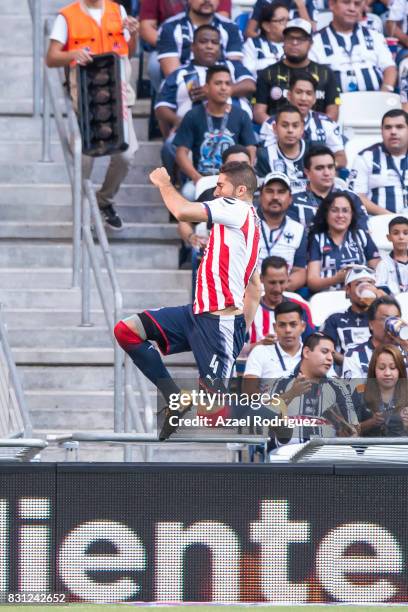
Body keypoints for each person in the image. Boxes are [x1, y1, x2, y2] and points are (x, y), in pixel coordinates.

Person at [114, 161, 262, 439]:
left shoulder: (236, 207)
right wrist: (243, 324)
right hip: (197, 314)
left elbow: (181, 211)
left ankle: (274, 411)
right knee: (127, 331)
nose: (216, 193)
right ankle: (174, 397)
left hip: (218, 323)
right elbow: (255, 286)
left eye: (220, 186)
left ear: (240, 190)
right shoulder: (247, 225)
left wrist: (163, 183)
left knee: (214, 415)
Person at [45, 0, 140, 230]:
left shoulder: (118, 11)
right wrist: (72, 54)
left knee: (126, 155)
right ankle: (81, 213)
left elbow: (130, 51)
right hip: (86, 99)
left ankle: (104, 201)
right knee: (84, 159)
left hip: (117, 95)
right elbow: (51, 58)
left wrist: (134, 34)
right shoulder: (67, 16)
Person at [174, 65, 257, 200]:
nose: (224, 87)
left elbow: (251, 149)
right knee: (188, 192)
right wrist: (197, 178)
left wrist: (243, 177)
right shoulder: (192, 115)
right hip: (203, 177)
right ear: (206, 87)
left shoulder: (242, 115)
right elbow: (180, 153)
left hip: (234, 179)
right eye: (218, 83)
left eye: (227, 83)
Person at [155, 25, 255, 138]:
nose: (209, 46)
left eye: (214, 42)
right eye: (203, 42)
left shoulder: (233, 66)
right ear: (192, 47)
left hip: (237, 129)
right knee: (170, 146)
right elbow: (161, 107)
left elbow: (250, 85)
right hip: (193, 131)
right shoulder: (179, 73)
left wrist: (215, 92)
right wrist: (178, 121)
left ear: (220, 47)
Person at [269, 332, 359, 448]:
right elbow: (264, 420)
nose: (330, 358)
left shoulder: (338, 387)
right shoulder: (281, 382)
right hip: (283, 456)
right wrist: (291, 394)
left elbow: (355, 430)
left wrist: (345, 427)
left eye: (332, 354)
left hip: (324, 457)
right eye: (324, 352)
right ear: (306, 352)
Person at [253, 18, 341, 125]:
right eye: (290, 38)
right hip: (277, 134)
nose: (295, 43)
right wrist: (281, 128)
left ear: (310, 43)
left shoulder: (326, 73)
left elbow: (333, 114)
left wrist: (309, 128)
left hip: (317, 135)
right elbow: (258, 113)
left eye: (301, 39)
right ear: (283, 42)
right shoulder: (267, 73)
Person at [140, 0, 231, 91]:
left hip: (214, 60)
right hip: (170, 41)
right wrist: (172, 44)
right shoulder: (169, 27)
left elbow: (219, 22)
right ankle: (166, 96)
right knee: (155, 65)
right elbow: (146, 28)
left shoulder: (230, 27)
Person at [260, 74, 347, 169]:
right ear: (289, 95)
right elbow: (265, 156)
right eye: (298, 92)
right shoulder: (271, 124)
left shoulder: (327, 123)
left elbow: (341, 157)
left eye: (309, 93)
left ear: (314, 99)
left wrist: (324, 168)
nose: (303, 98)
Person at [309, 0, 396, 94]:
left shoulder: (375, 36)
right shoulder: (315, 42)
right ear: (332, 4)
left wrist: (385, 93)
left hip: (375, 103)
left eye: (357, 4)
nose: (352, 8)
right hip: (334, 104)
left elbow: (389, 68)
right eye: (346, 2)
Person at [307, 191, 380, 292]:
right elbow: (312, 282)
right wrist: (336, 279)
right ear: (326, 213)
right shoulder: (317, 239)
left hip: (361, 296)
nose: (340, 215)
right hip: (327, 297)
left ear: (352, 214)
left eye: (345, 211)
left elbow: (379, 271)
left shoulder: (362, 235)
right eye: (334, 210)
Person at [156, 0, 243, 79]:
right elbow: (173, 75)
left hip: (222, 89)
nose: (207, 0)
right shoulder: (169, 27)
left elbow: (235, 71)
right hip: (183, 88)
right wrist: (204, 91)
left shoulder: (231, 28)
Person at [289, 145, 368, 230]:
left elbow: (363, 232)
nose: (326, 173)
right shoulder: (293, 200)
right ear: (307, 172)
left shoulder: (352, 198)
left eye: (330, 167)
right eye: (319, 168)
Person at [320, 265, 384, 366]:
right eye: (359, 284)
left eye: (370, 284)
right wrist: (353, 364)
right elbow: (326, 349)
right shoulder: (335, 319)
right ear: (348, 289)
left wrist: (384, 301)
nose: (365, 288)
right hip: (345, 373)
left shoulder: (382, 318)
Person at [349, 109, 408, 215]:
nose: (393, 132)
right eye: (388, 127)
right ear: (381, 131)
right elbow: (355, 196)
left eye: (399, 127)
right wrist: (390, 218)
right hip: (378, 223)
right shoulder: (365, 157)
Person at [257, 172, 308, 290]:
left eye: (281, 192)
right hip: (247, 294)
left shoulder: (298, 229)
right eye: (270, 191)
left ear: (290, 198)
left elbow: (300, 272)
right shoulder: (244, 224)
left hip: (283, 295)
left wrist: (275, 289)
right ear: (260, 196)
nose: (275, 197)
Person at [243, 302, 305, 396]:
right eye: (282, 325)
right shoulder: (260, 352)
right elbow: (249, 392)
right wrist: (289, 395)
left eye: (293, 325)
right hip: (267, 410)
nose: (288, 330)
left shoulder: (313, 354)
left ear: (303, 326)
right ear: (274, 327)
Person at [342, 295, 406, 379]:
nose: (391, 323)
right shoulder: (354, 355)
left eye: (396, 319)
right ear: (371, 324)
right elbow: (353, 390)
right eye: (385, 319)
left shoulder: (405, 350)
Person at [353, 344, 408, 436]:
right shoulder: (359, 392)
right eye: (382, 368)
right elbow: (345, 432)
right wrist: (371, 422)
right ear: (373, 369)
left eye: (393, 368)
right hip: (367, 449)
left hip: (402, 449)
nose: (387, 373)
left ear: (400, 370)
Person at [256, 105, 308, 193]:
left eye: (295, 126)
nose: (290, 130)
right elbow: (264, 192)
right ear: (275, 128)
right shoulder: (265, 155)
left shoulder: (314, 151)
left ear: (302, 128)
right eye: (285, 125)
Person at [242, 2, 288, 78]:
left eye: (289, 20)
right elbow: (247, 74)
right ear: (266, 26)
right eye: (282, 21)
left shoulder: (296, 44)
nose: (287, 24)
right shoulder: (252, 44)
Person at [245, 0, 313, 39]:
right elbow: (249, 32)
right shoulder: (264, 2)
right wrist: (268, 41)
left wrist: (301, 6)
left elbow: (310, 31)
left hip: (298, 44)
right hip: (270, 45)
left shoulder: (307, 2)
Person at [376, 216, 408, 294]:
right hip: (393, 304)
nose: (401, 237)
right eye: (396, 233)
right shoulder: (383, 264)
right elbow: (380, 291)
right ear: (389, 237)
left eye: (406, 233)